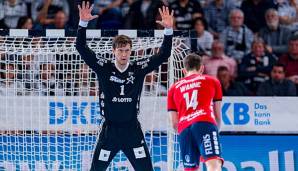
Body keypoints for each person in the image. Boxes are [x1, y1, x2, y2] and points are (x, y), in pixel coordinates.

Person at [75, 2, 174, 171]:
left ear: (131, 51)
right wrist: (83, 24)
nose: (124, 54)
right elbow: (81, 47)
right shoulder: (104, 67)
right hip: (110, 132)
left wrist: (168, 30)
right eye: (120, 50)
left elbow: (164, 53)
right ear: (114, 51)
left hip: (132, 131)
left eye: (127, 50)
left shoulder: (139, 67)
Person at [167, 53, 223, 171]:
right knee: (213, 163)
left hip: (184, 128)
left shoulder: (173, 88)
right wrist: (215, 131)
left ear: (183, 70)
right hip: (204, 122)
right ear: (202, 68)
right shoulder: (212, 81)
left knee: (190, 169)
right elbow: (217, 115)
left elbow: (173, 123)